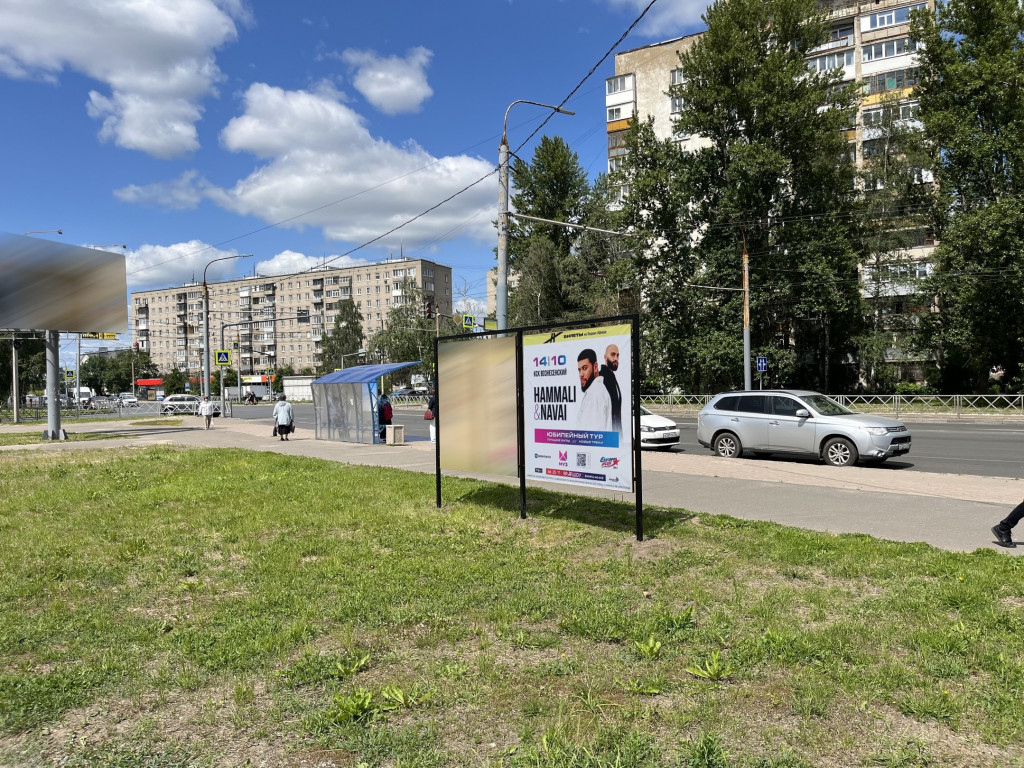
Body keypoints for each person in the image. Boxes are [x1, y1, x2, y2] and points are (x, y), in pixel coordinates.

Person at [576, 349, 612, 432]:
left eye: (584, 368)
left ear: (595, 367)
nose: (581, 374)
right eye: (579, 370)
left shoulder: (596, 393)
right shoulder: (595, 391)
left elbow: (594, 434)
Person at [600, 343, 622, 433]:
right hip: (607, 435)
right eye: (613, 354)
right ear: (605, 357)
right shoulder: (601, 379)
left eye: (617, 355)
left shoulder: (612, 376)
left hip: (615, 434)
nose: (616, 358)